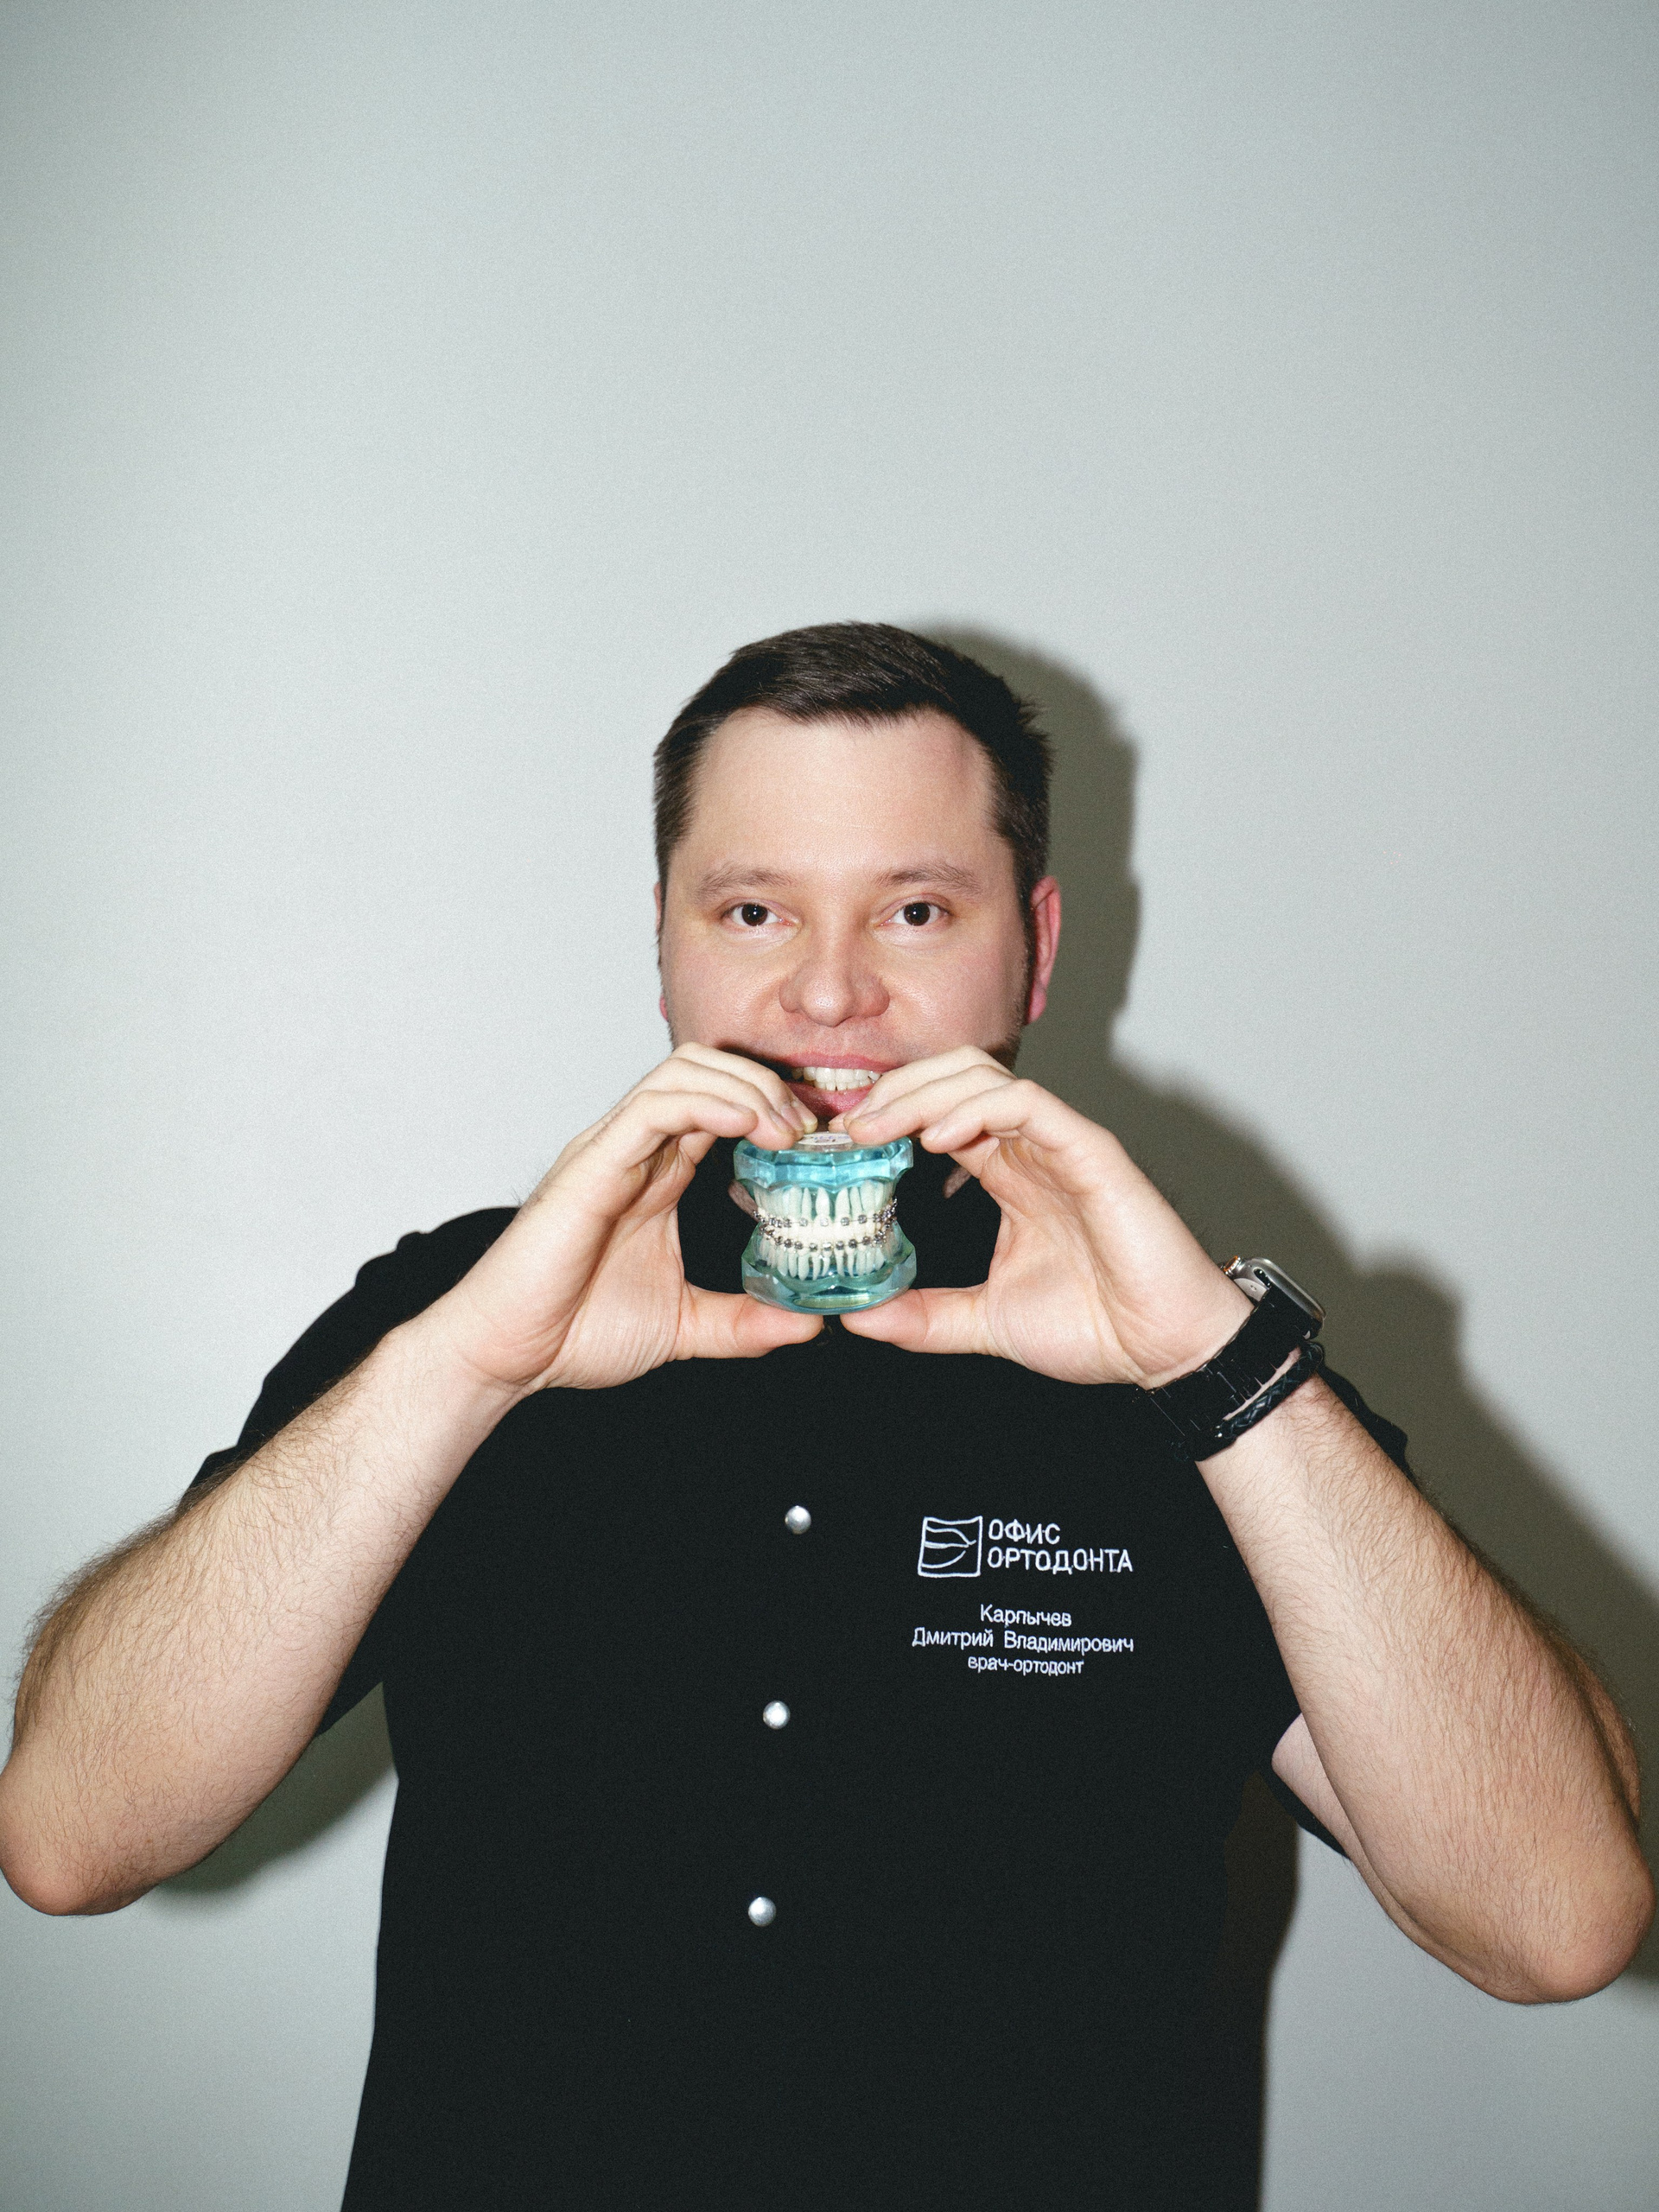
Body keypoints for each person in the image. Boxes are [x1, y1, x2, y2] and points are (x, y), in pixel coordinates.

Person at [1, 624, 1649, 2209]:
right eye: (754, 912)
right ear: (664, 936)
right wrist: (467, 1368)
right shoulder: (458, 1315)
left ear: (1037, 943)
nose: (832, 993)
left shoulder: (1199, 1362)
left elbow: (1557, 1922)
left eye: (917, 910)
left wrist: (1222, 1374)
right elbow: (71, 1836)